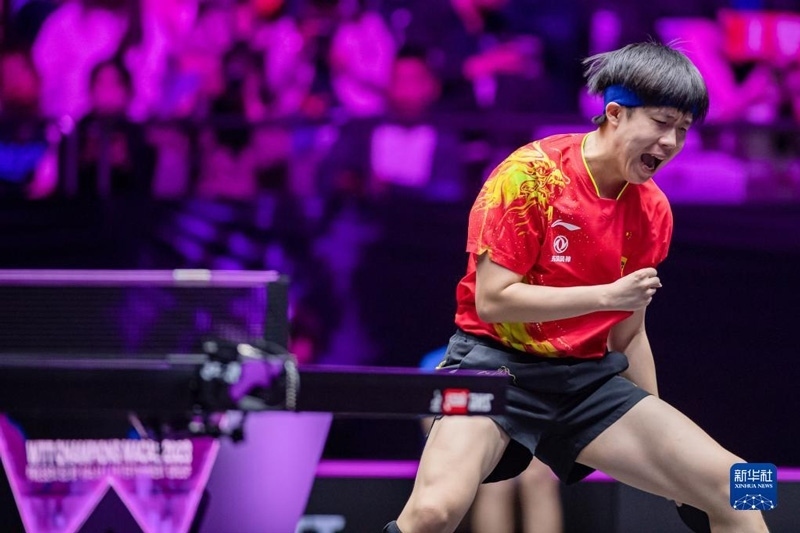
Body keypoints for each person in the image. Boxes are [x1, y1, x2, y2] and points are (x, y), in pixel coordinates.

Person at [384, 42, 769, 533]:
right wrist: (605, 297)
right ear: (615, 113)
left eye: (683, 129)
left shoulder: (653, 209)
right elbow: (493, 299)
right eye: (661, 122)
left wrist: (667, 457)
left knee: (744, 484)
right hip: (494, 368)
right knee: (433, 512)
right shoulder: (529, 177)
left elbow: (629, 335)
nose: (671, 142)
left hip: (585, 383)